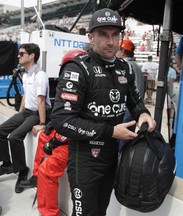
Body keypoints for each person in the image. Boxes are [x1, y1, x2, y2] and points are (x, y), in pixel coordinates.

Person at [50, 8, 156, 216]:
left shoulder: (124, 68)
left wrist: (143, 114)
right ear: (91, 37)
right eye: (103, 35)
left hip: (111, 157)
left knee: (100, 212)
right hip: (84, 160)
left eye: (115, 34)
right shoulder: (77, 69)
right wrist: (110, 131)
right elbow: (62, 120)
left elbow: (135, 103)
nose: (111, 41)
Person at [19, 49, 87, 216]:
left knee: (47, 170)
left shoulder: (83, 89)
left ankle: (50, 213)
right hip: (69, 136)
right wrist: (50, 126)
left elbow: (74, 126)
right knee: (43, 136)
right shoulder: (76, 86)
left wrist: (55, 140)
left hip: (78, 143)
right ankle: (36, 177)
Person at [0, 43, 51, 194]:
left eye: (21, 54)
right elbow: (25, 96)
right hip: (26, 112)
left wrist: (42, 123)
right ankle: (8, 163)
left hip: (37, 114)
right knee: (1, 131)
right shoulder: (27, 74)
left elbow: (41, 101)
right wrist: (19, 114)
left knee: (14, 137)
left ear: (32, 56)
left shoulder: (40, 75)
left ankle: (22, 171)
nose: (18, 56)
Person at [117, 39, 145, 150]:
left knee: (121, 141)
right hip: (135, 109)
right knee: (128, 140)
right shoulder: (137, 66)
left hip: (126, 109)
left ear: (122, 51)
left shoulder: (124, 66)